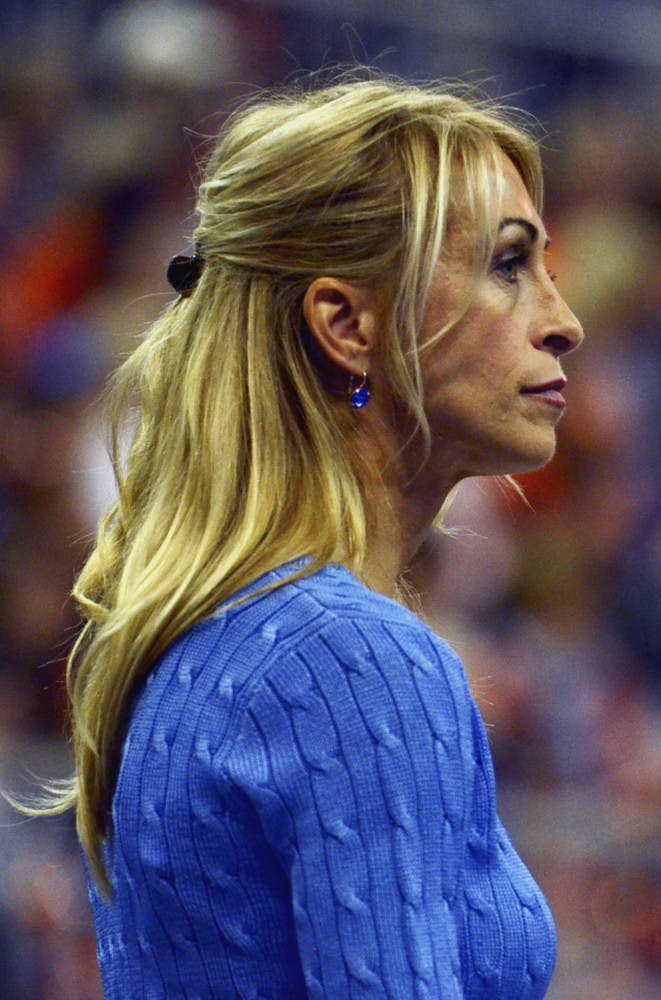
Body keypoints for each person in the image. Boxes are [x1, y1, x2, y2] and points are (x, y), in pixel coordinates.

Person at [45, 76, 583, 997]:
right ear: (345, 323)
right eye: (506, 264)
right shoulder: (352, 662)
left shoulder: (186, 643)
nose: (562, 324)